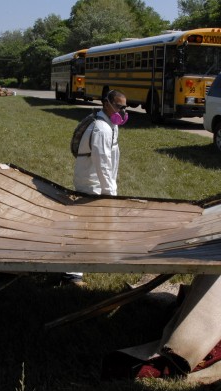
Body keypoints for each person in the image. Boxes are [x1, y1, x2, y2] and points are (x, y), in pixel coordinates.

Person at [64, 90, 128, 286]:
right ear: (106, 104)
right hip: (91, 184)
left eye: (125, 107)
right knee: (85, 228)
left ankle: (88, 261)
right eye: (118, 106)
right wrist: (110, 193)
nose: (123, 111)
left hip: (100, 183)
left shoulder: (111, 124)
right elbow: (103, 163)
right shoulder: (101, 129)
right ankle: (71, 273)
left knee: (93, 227)